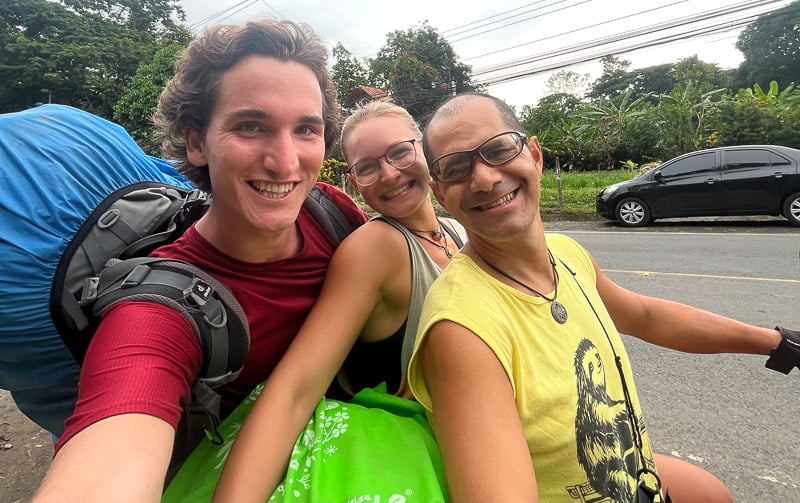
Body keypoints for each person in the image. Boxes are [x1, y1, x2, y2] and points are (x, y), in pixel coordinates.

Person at [32, 20, 368, 502]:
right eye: (251, 126)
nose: (286, 161)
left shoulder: (331, 212)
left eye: (306, 130)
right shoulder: (157, 314)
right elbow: (111, 456)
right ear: (195, 142)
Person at [407, 92, 799, 503]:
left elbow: (645, 315)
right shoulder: (461, 328)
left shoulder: (568, 254)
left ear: (535, 156)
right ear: (439, 193)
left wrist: (777, 343)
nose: (485, 178)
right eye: (456, 168)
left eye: (499, 149)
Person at [210, 100, 466, 502]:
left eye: (400, 151)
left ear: (425, 149)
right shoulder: (376, 248)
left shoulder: (457, 231)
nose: (388, 174)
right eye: (366, 167)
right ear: (354, 181)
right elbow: (295, 390)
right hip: (411, 461)